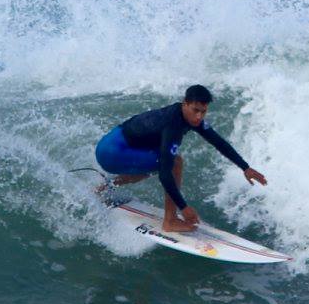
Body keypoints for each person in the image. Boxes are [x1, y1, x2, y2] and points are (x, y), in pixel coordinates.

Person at [95, 84, 268, 233]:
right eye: (195, 110)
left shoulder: (185, 115)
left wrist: (245, 167)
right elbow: (165, 174)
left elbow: (218, 141)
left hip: (110, 143)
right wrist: (184, 207)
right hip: (114, 152)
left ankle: (104, 187)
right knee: (174, 163)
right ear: (185, 103)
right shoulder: (173, 126)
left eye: (203, 111)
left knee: (151, 167)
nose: (199, 116)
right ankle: (169, 221)